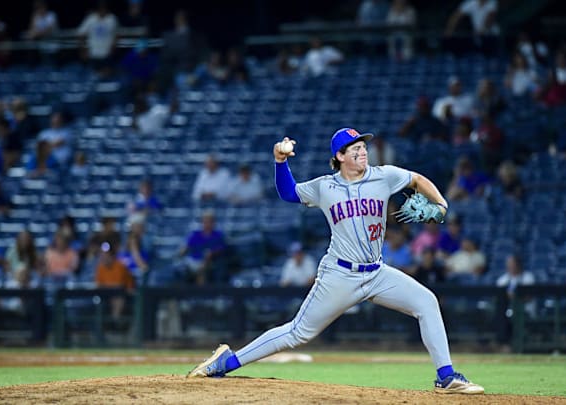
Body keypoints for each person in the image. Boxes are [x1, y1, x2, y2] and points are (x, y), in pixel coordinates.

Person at [187, 127, 484, 394]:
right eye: (354, 148)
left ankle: (446, 377)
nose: (362, 150)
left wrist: (441, 203)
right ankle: (228, 361)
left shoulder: (384, 175)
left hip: (377, 273)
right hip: (340, 275)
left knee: (426, 302)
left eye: (363, 146)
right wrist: (280, 161)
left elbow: (416, 180)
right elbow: (289, 193)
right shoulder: (324, 186)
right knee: (297, 333)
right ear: (339, 156)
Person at [178, 210, 227, 285]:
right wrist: (183, 250)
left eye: (209, 221)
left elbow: (221, 249)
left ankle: (201, 294)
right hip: (193, 261)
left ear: (214, 223)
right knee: (181, 267)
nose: (207, 224)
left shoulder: (218, 235)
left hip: (210, 262)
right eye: (205, 221)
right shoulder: (195, 234)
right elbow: (185, 247)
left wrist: (211, 253)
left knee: (203, 267)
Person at [95, 242, 135, 325]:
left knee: (118, 299)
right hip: (105, 295)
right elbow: (99, 285)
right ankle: (106, 326)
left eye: (106, 255)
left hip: (121, 295)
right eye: (102, 255)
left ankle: (114, 324)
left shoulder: (120, 266)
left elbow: (123, 285)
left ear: (112, 256)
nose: (104, 257)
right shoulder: (100, 268)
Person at [77, 0, 118, 73]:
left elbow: (116, 35)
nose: (102, 10)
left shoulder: (112, 19)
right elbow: (81, 34)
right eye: (100, 8)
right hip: (93, 54)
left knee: (106, 78)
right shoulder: (91, 19)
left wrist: (112, 50)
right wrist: (83, 50)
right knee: (92, 77)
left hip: (106, 55)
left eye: (104, 8)